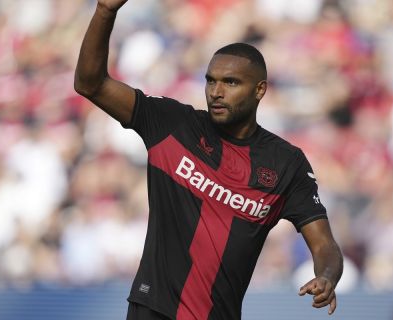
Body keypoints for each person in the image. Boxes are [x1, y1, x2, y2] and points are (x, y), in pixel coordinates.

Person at [74, 1, 344, 319]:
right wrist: (105, 11)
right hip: (152, 309)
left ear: (260, 90)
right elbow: (89, 84)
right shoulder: (172, 123)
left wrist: (327, 275)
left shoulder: (286, 163)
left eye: (230, 83)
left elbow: (324, 243)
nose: (216, 91)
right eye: (211, 80)